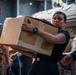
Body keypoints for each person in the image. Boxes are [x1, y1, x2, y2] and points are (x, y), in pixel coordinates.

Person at [13, 11, 70, 75]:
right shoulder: (46, 34)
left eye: (60, 19)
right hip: (36, 64)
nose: (56, 20)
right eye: (54, 18)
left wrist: (34, 30)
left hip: (49, 67)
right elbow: (36, 55)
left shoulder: (65, 34)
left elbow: (54, 39)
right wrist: (19, 49)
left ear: (65, 23)